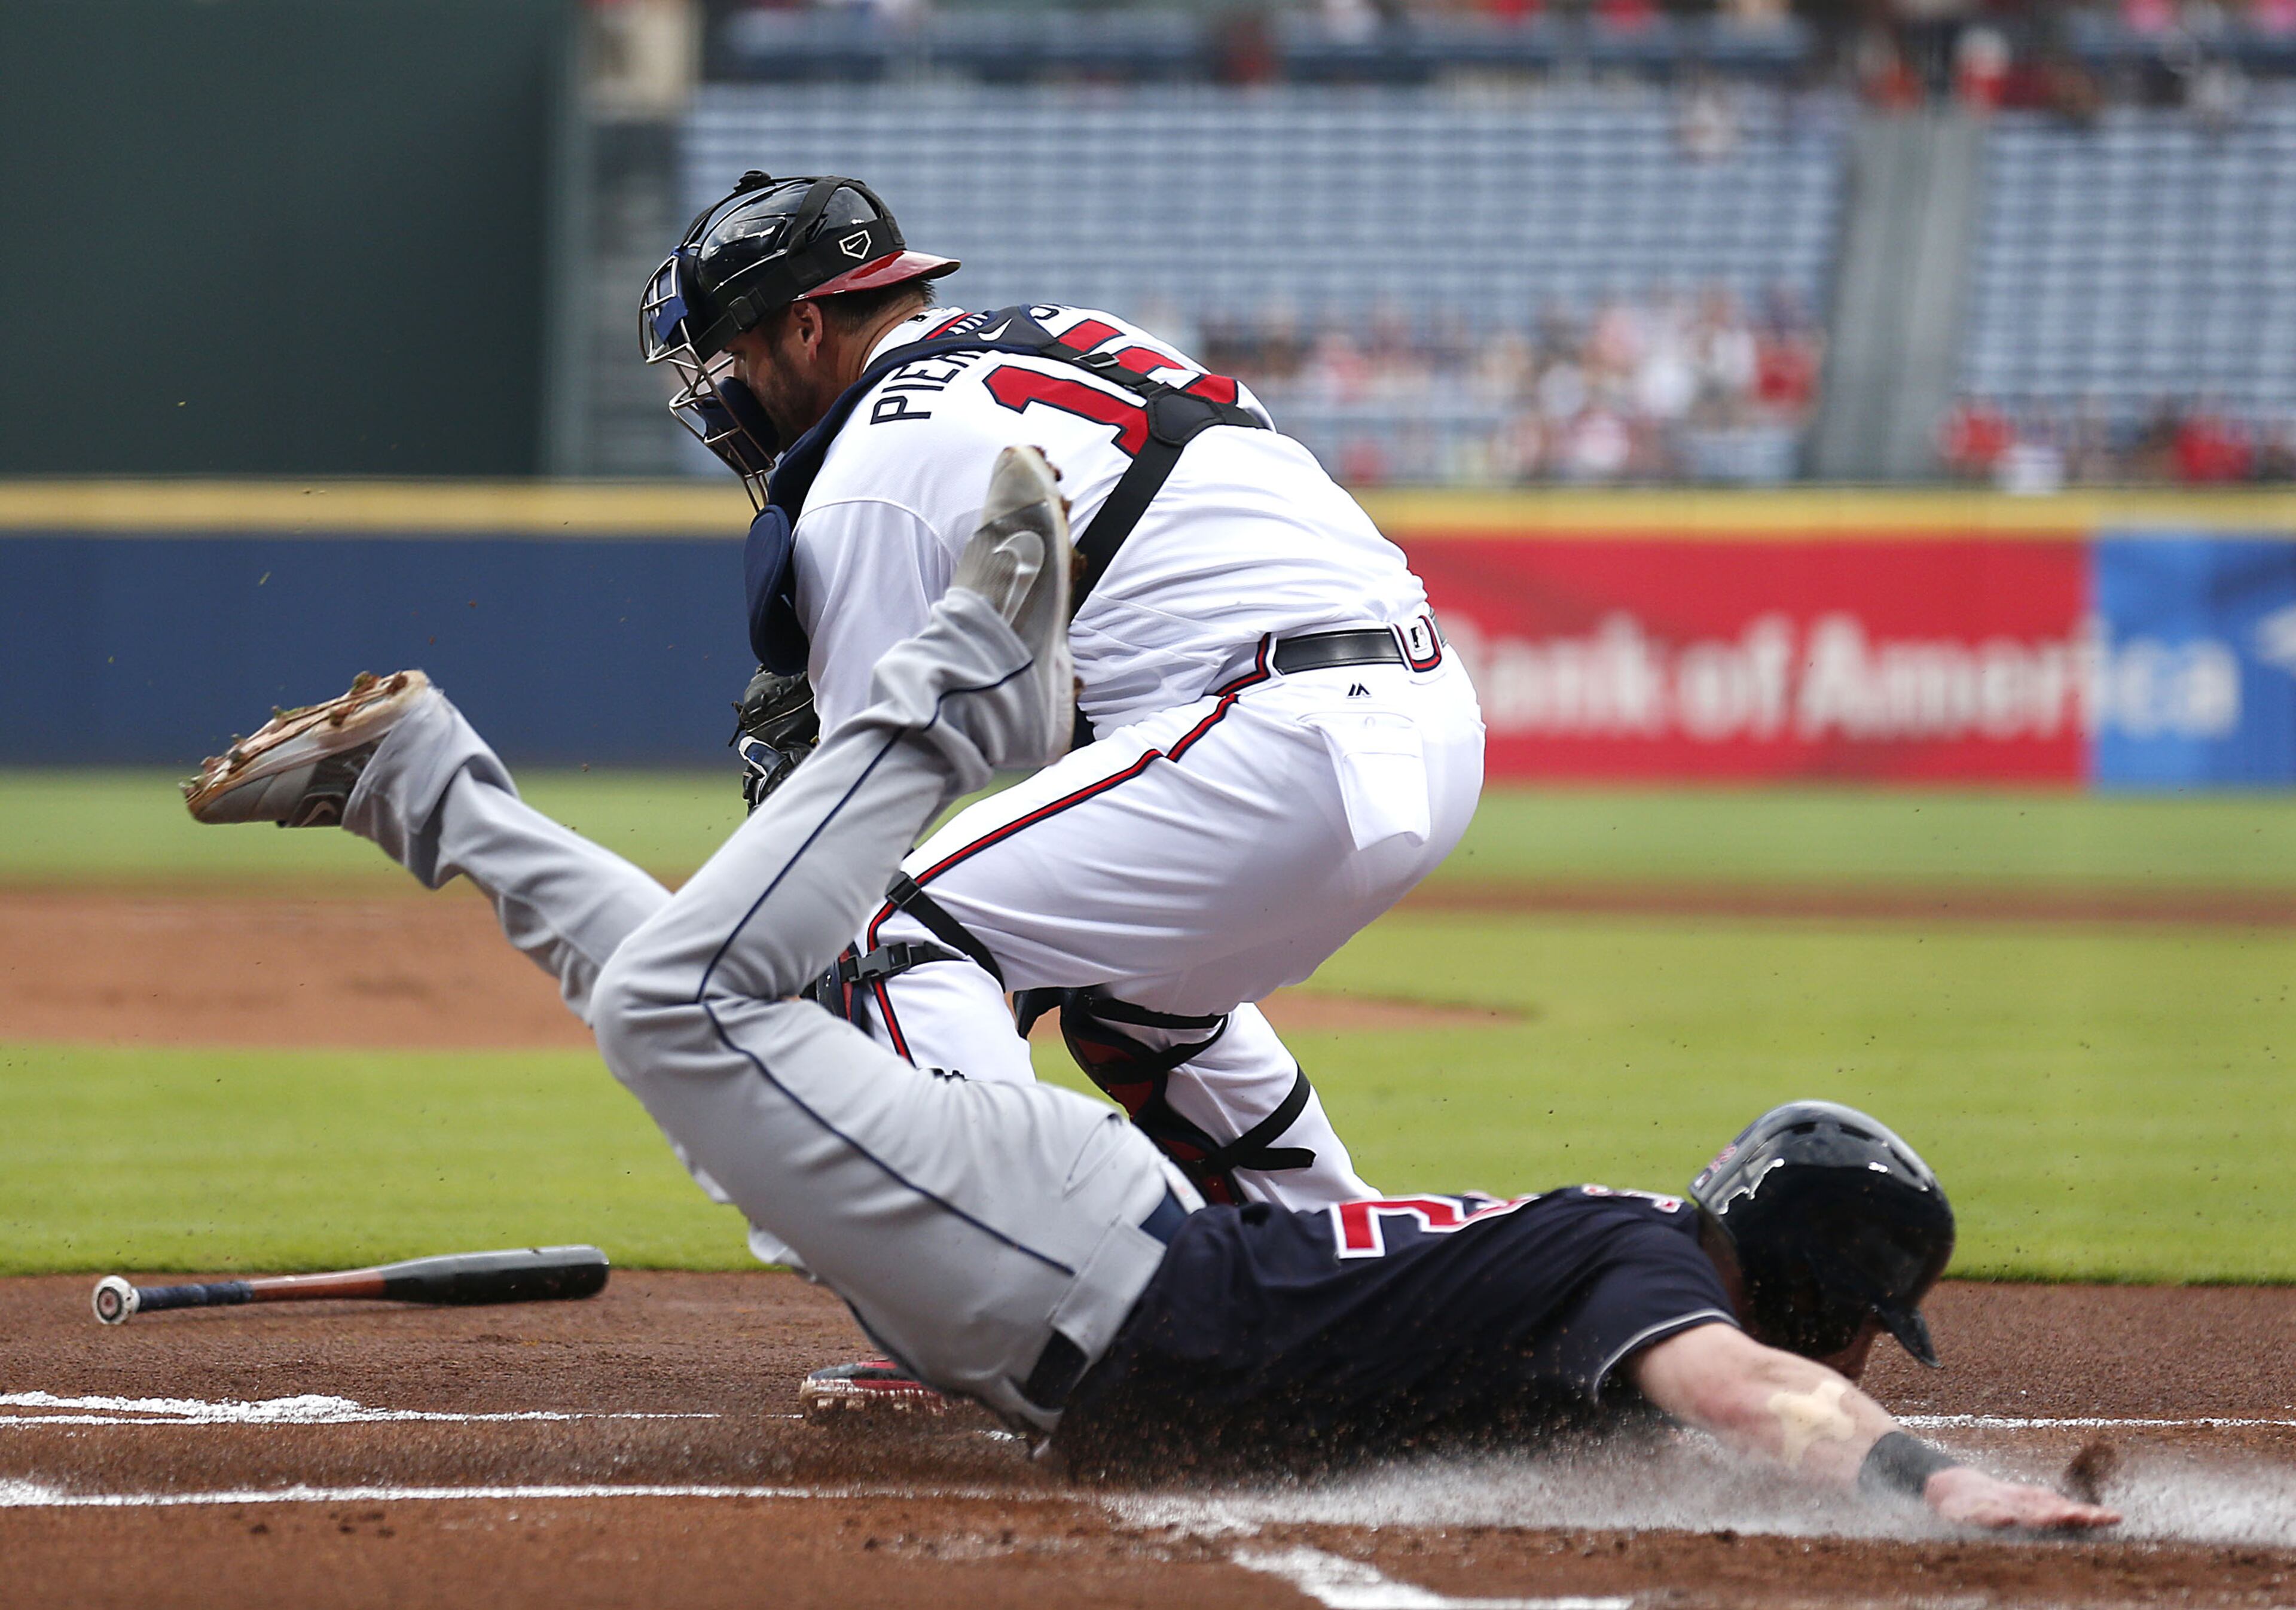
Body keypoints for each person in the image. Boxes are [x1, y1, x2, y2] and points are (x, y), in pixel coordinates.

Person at [185, 449, 2113, 1531]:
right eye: (1866, 1324)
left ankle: (415, 777)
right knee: (693, 1021)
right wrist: (1942, 1483)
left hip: (1066, 1291)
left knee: (718, 1033)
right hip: (1084, 1272)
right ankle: (959, 691)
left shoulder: (1615, 1283)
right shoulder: (1643, 1276)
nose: (1860, 1357)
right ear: (1796, 1279)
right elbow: (1753, 1390)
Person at [639, 172, 1485, 1238]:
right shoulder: (1072, 329)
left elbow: (854, 812)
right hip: (1428, 717)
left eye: (735, 354)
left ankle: (1017, 1289)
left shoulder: (867, 467)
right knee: (1132, 1000)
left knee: (888, 926)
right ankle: (1350, 1267)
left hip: (1274, 735)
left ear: (807, 326)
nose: (724, 392)